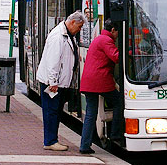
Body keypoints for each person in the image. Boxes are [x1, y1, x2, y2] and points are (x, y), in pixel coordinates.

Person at [36, 10, 86, 151]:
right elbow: (53, 61)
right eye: (79, 26)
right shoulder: (58, 36)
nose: (79, 30)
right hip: (52, 83)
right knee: (52, 111)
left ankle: (52, 139)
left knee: (55, 111)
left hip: (59, 82)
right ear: (72, 22)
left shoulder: (66, 35)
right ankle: (50, 141)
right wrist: (53, 82)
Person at [79, 20, 123, 154]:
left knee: (91, 113)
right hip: (100, 80)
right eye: (117, 32)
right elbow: (116, 57)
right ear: (113, 30)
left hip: (89, 81)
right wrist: (132, 52)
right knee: (119, 101)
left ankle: (85, 145)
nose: (117, 35)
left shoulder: (99, 38)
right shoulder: (106, 40)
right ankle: (115, 134)